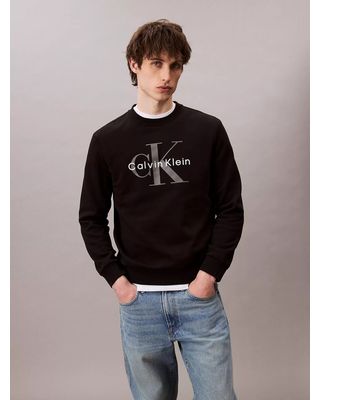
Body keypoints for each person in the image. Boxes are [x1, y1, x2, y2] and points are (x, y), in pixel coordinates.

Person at [79, 19, 244, 400]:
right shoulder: (108, 140)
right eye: (156, 63)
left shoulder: (208, 130)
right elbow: (91, 217)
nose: (166, 75)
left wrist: (208, 276)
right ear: (134, 64)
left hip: (198, 297)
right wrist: (118, 282)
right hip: (140, 302)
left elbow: (231, 209)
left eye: (175, 65)